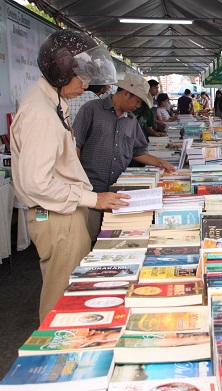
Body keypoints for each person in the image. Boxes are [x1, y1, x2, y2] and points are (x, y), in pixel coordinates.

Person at [10, 29, 130, 322]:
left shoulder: (50, 102)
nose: (86, 85)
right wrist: (93, 198)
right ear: (61, 72)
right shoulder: (41, 113)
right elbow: (36, 182)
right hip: (57, 216)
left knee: (69, 291)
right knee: (62, 298)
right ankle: (55, 358)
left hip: (62, 212)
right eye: (81, 77)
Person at [73, 74, 176, 240]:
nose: (138, 106)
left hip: (118, 192)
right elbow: (75, 145)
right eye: (137, 101)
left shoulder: (131, 119)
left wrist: (161, 162)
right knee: (88, 239)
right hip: (90, 189)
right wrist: (76, 179)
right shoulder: (91, 109)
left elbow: (138, 151)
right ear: (126, 93)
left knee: (114, 238)